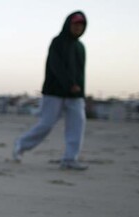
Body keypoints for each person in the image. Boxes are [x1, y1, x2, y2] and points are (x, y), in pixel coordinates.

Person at [13, 11, 88, 170]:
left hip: (75, 95)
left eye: (81, 25)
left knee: (77, 124)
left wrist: (79, 91)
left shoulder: (81, 47)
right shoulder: (58, 42)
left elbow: (81, 73)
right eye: (75, 24)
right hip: (54, 92)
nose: (78, 27)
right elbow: (56, 66)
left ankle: (70, 159)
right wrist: (69, 84)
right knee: (46, 124)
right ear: (69, 24)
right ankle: (20, 145)